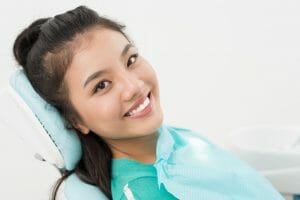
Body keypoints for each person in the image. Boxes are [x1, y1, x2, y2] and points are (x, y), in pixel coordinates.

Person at [13, 6, 284, 200]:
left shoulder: (171, 142)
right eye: (102, 85)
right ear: (75, 120)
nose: (134, 87)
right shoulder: (144, 191)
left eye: (130, 60)